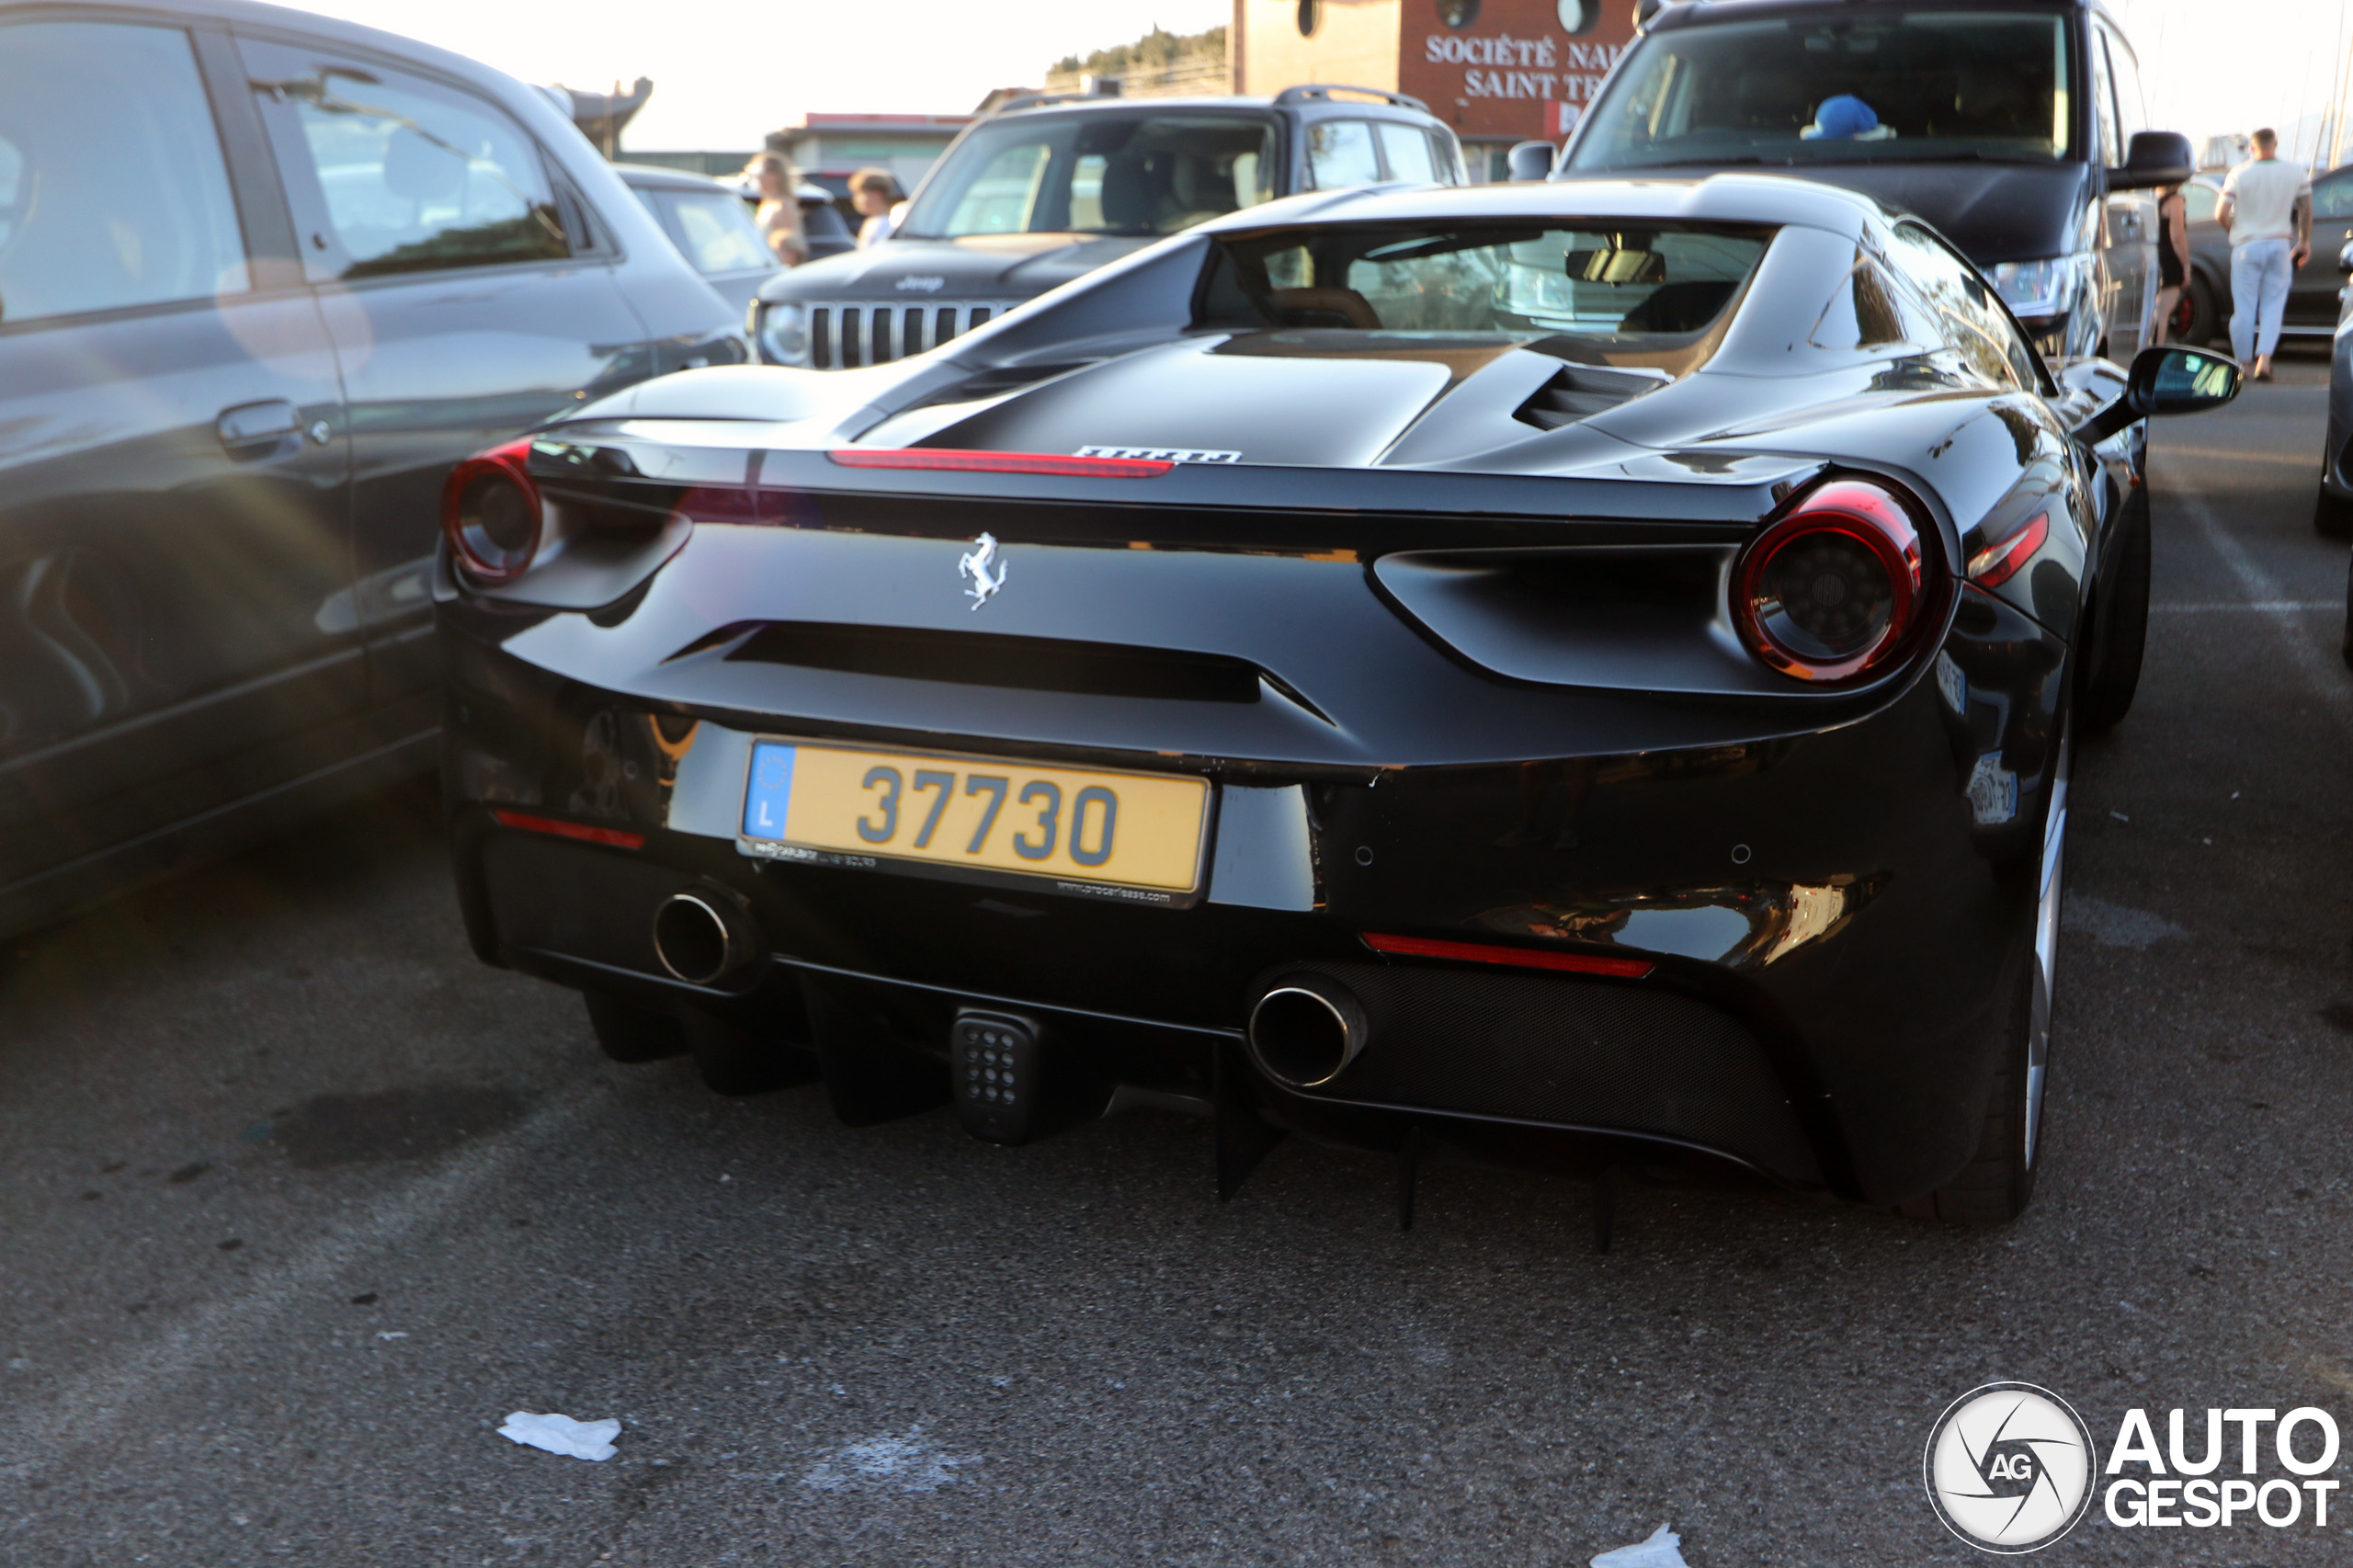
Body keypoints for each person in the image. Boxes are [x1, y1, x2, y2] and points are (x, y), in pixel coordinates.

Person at [2217, 128, 2311, 380]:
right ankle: (2265, 362)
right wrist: (2304, 241)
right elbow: (2305, 208)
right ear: (2276, 144)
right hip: (2279, 245)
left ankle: (2242, 365)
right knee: (2273, 305)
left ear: (2252, 147)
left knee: (2244, 308)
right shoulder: (2295, 172)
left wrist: (2233, 231)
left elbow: (2221, 213)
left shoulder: (2239, 174)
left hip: (2246, 246)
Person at [743, 152, 806, 267]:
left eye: (760, 173)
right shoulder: (766, 205)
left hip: (779, 268)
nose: (757, 178)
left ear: (775, 176)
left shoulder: (784, 206)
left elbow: (791, 248)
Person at [2152, 181, 2189, 345]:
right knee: (2163, 314)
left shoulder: (2154, 197)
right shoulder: (2175, 200)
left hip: (2154, 257)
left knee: (2155, 313)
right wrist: (2186, 266)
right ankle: (2156, 355)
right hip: (2169, 261)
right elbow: (2177, 237)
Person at [851, 167, 900, 248]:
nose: (857, 199)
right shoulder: (872, 222)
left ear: (877, 194)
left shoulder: (885, 224)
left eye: (861, 194)